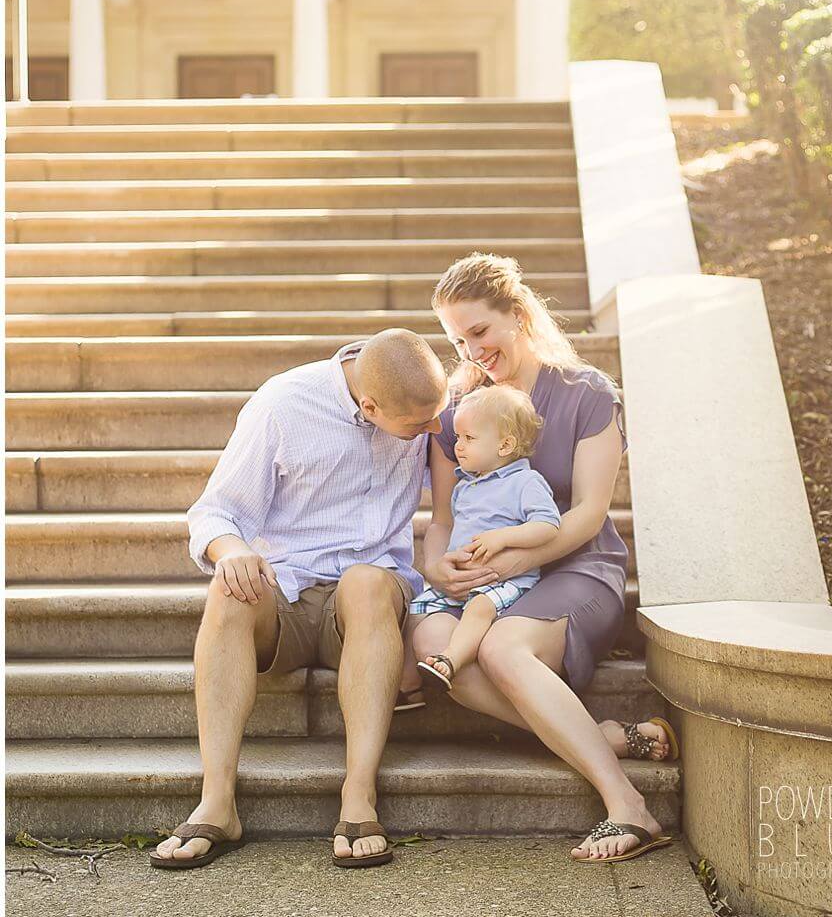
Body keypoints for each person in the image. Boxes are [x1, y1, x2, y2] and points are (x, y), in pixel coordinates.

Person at [412, 253, 678, 865]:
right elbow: (445, 520)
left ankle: (627, 806)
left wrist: (508, 561)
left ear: (517, 314)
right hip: (483, 578)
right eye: (458, 340)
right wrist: (436, 566)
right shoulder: (459, 414)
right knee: (440, 652)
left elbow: (586, 513)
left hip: (577, 568)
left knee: (502, 648)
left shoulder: (587, 393)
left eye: (480, 331)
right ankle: (608, 736)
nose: (473, 350)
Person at [148, 330, 448, 871]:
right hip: (285, 591)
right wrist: (232, 549)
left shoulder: (423, 406)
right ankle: (218, 802)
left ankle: (358, 795)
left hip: (369, 604)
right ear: (370, 405)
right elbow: (215, 512)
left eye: (436, 417)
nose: (433, 431)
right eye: (418, 427)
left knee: (368, 579)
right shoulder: (283, 404)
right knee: (229, 589)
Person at [409, 384, 561, 700]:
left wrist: (503, 537)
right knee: (415, 608)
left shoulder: (525, 482)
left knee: (479, 606)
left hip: (508, 580)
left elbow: (548, 525)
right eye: (458, 437)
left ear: (505, 445)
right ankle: (407, 686)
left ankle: (450, 659)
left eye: (469, 438)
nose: (458, 446)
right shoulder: (466, 487)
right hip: (464, 579)